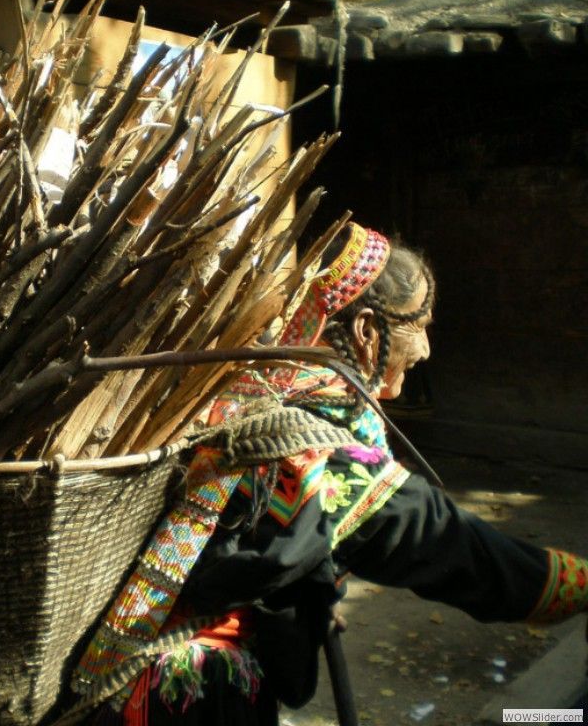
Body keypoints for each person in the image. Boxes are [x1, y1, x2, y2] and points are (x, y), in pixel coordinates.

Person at [68, 222, 588, 726]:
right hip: (191, 694)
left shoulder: (252, 392)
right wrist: (577, 584)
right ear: (367, 332)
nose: (426, 349)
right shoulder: (313, 448)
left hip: (121, 681)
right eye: (419, 325)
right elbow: (448, 544)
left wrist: (313, 592)